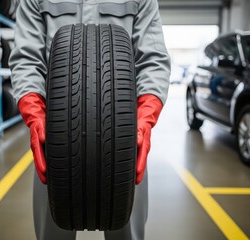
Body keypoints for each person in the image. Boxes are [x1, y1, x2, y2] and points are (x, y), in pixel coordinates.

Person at [9, 0, 170, 239]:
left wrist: (145, 118)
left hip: (124, 136)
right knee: (53, 231)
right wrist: (35, 116)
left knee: (126, 232)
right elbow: (27, 59)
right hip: (55, 137)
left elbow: (153, 60)